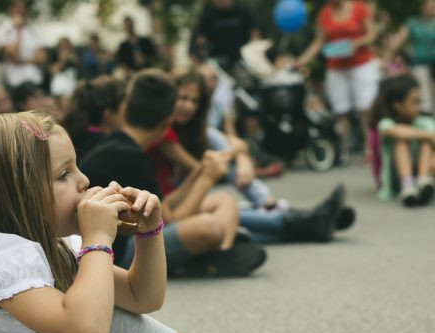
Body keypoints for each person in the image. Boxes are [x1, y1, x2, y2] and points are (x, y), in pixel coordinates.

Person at [0, 111, 312, 333]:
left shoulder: (58, 245)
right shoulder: (3, 255)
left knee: (117, 319)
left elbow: (142, 298)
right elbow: (86, 332)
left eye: (77, 166)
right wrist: (98, 240)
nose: (84, 180)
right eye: (63, 175)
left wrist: (149, 234)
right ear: (17, 196)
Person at [80, 70, 267, 277]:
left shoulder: (120, 145)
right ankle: (209, 256)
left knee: (224, 200)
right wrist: (206, 179)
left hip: (108, 243)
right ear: (168, 122)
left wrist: (199, 174)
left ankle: (219, 256)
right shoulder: (132, 157)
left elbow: (165, 204)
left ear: (125, 109)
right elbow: (166, 220)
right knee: (209, 227)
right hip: (116, 254)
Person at [149, 68, 356, 244]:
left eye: (194, 101)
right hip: (171, 207)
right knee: (227, 212)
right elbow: (201, 168)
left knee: (231, 214)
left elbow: (220, 151)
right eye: (183, 98)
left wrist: (241, 156)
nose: (189, 106)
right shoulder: (162, 131)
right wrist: (238, 152)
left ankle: (303, 221)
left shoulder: (195, 129)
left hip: (185, 201)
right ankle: (299, 219)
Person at [295, 0, 378, 162]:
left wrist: (357, 43)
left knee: (365, 108)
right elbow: (319, 41)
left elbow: (372, 34)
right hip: (336, 66)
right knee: (341, 110)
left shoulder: (358, 8)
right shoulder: (325, 13)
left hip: (360, 63)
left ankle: (369, 149)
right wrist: (302, 60)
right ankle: (343, 149)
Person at [370, 74, 435, 206]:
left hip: (426, 171)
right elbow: (394, 131)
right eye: (414, 102)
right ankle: (408, 186)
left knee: (427, 143)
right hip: (396, 178)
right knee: (401, 140)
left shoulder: (424, 121)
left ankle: (423, 181)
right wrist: (427, 136)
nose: (419, 106)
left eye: (420, 101)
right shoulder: (386, 123)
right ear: (398, 105)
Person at [63, 76, 126, 161]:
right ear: (108, 113)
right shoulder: (107, 148)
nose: (127, 112)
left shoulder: (80, 136)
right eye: (124, 107)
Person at [389, 0, 435, 114]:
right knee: (424, 94)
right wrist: (392, 49)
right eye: (428, 5)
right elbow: (400, 38)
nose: (431, 8)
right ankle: (428, 120)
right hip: (419, 63)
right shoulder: (413, 22)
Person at [190, 0, 260, 69]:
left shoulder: (242, 10)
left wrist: (255, 49)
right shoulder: (208, 14)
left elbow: (253, 31)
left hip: (242, 56)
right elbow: (201, 36)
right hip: (217, 57)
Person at [0, 0, 46, 91]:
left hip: (35, 79)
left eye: (23, 8)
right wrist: (18, 30)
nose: (21, 11)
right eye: (17, 7)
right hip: (14, 82)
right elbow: (14, 56)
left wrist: (22, 61)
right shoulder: (2, 30)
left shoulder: (32, 30)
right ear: (10, 9)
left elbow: (42, 58)